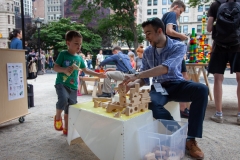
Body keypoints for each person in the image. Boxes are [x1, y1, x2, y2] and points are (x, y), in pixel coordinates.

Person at [122, 18, 208, 159]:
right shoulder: (148, 52)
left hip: (177, 84)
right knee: (151, 102)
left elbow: (165, 68)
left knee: (202, 89)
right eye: (145, 33)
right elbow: (144, 77)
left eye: (148, 33)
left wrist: (135, 74)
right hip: (159, 86)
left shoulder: (178, 46)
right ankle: (179, 134)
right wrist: (130, 85)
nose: (146, 37)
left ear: (160, 31)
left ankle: (191, 138)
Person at [53, 30, 106, 135]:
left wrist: (98, 74)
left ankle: (66, 128)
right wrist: (64, 69)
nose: (79, 46)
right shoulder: (63, 54)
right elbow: (55, 67)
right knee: (63, 99)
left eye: (80, 44)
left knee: (71, 108)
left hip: (73, 86)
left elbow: (85, 70)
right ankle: (58, 117)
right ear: (68, 43)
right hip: (62, 83)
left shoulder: (79, 58)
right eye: (76, 43)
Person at [207, 1, 240, 124]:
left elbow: (209, 28)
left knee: (218, 79)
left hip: (219, 46)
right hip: (237, 45)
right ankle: (239, 115)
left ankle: (219, 113)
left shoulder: (216, 4)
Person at [162, 0, 190, 118]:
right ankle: (183, 108)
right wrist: (181, 36)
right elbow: (169, 31)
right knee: (183, 76)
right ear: (176, 7)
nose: (180, 14)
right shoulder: (172, 14)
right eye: (181, 11)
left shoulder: (165, 16)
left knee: (181, 76)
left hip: (170, 50)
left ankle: (182, 107)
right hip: (174, 50)